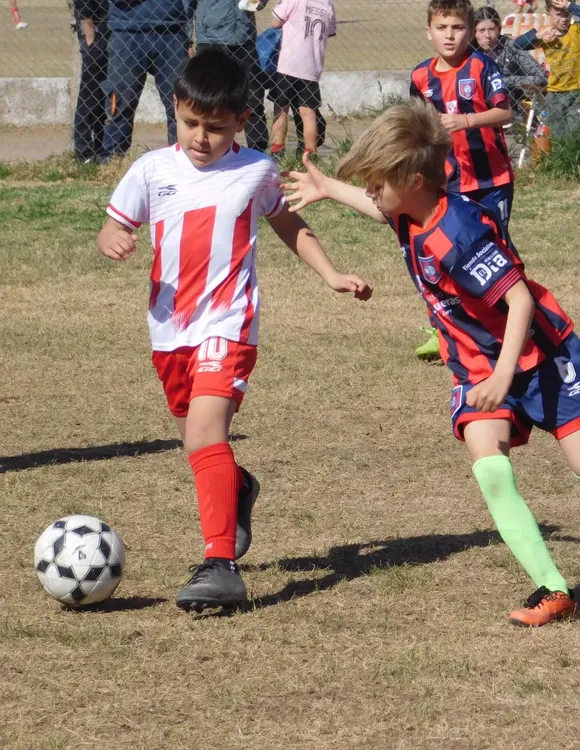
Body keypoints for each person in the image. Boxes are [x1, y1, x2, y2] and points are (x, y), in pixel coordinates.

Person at [283, 99, 580, 627]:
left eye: (376, 182)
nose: (371, 191)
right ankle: (554, 589)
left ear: (414, 181)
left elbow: (520, 301)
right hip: (475, 368)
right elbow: (378, 208)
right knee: (490, 468)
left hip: (537, 355)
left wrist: (506, 375)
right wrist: (328, 187)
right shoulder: (408, 210)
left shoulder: (458, 234)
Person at [96, 49, 372, 611]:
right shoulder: (151, 170)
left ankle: (220, 565)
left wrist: (331, 274)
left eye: (216, 128)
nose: (201, 137)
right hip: (169, 332)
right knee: (198, 443)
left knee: (205, 434)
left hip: (229, 323)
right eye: (190, 122)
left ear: (242, 121)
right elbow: (111, 227)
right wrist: (112, 240)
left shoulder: (256, 172)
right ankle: (238, 486)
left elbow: (288, 223)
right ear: (175, 107)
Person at [409, 0, 514, 361]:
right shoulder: (420, 77)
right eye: (442, 28)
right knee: (442, 252)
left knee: (494, 252)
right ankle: (444, 327)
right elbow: (417, 127)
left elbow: (505, 111)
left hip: (490, 180)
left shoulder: (482, 65)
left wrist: (467, 121)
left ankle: (511, 323)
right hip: (446, 182)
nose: (449, 35)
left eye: (457, 28)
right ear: (429, 32)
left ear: (470, 31)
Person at [103, 0, 193, 158]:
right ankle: (113, 159)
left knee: (181, 103)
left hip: (172, 31)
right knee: (120, 104)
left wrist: (189, 37)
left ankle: (182, 158)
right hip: (127, 31)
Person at [193, 0, 269, 152]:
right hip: (210, 39)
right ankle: (208, 147)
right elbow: (185, 6)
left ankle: (258, 150)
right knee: (208, 99)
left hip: (243, 38)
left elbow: (259, 3)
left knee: (252, 97)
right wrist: (187, 40)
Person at [512, 0, 580, 140]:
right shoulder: (546, 34)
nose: (563, 19)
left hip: (579, 90)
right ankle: (558, 153)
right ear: (548, 12)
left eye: (567, 14)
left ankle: (575, 153)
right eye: (558, 14)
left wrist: (568, 5)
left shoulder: (577, 30)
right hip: (556, 92)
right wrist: (537, 35)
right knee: (556, 132)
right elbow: (518, 45)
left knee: (575, 131)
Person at [269, 0, 336, 158]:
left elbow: (275, 23)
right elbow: (330, 31)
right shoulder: (328, 4)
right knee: (308, 112)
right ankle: (310, 152)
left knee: (281, 107)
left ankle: (277, 149)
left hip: (288, 64)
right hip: (311, 67)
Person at [471, 5, 547, 116]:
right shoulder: (469, 51)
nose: (487, 35)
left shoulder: (511, 46)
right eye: (481, 30)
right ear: (473, 32)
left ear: (499, 29)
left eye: (491, 29)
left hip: (510, 103)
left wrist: (506, 81)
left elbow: (541, 77)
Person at [72, 0, 108, 162]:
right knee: (90, 92)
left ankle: (102, 148)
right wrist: (89, 34)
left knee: (106, 93)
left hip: (113, 29)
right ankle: (84, 151)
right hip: (96, 29)